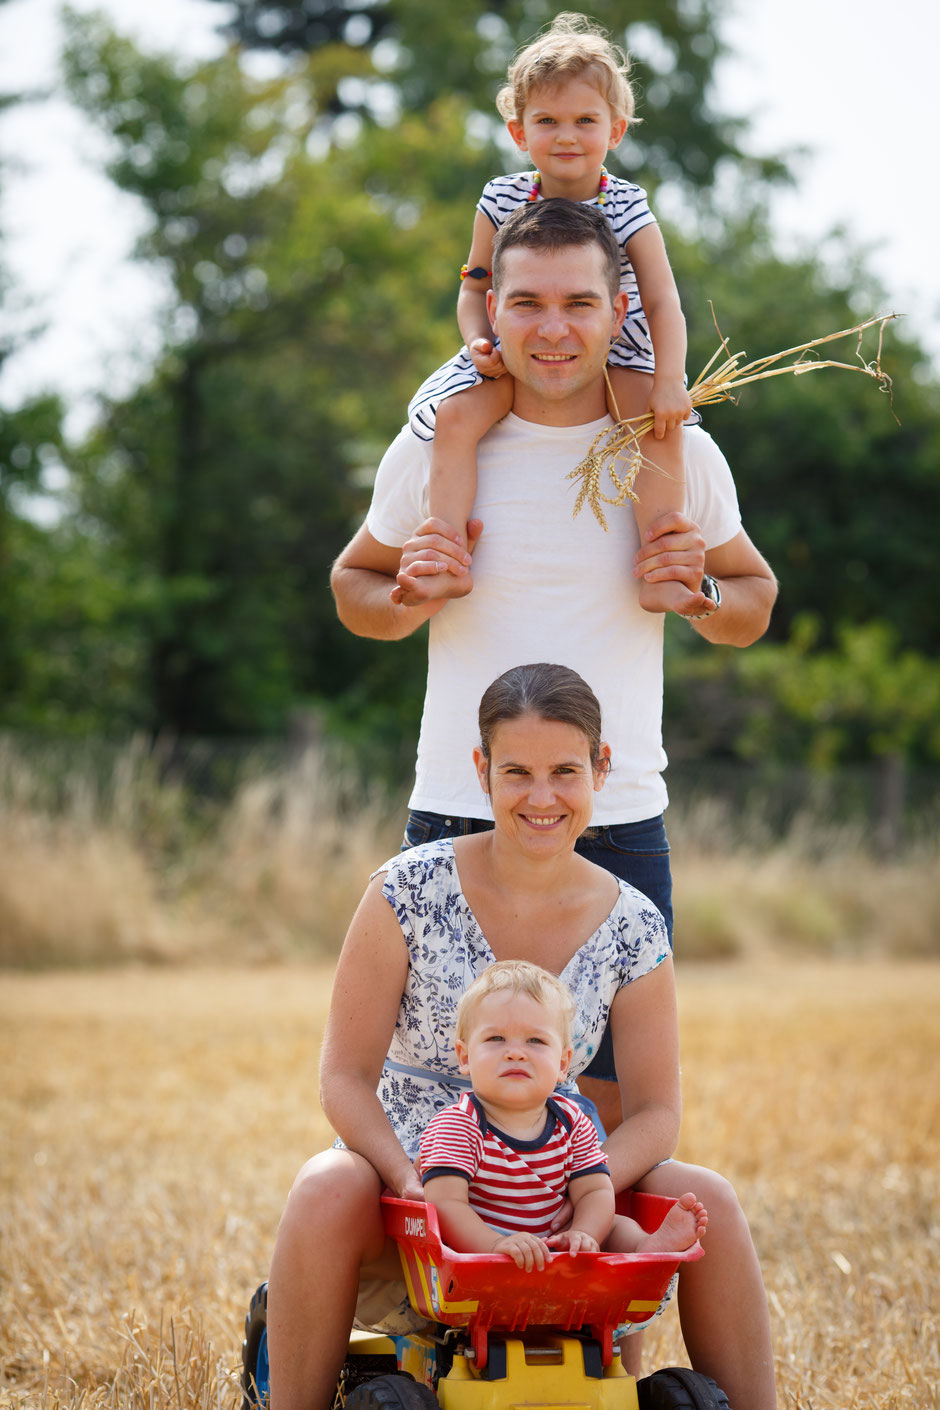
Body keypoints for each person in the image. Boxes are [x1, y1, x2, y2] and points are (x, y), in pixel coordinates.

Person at [330, 196, 778, 1139]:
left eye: (579, 303)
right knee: (431, 1085)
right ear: (491, 309)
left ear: (622, 312)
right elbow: (352, 588)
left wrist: (697, 597)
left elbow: (755, 601)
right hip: (458, 806)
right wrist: (407, 596)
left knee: (606, 1109)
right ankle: (403, 1280)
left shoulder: (674, 449)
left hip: (616, 822)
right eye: (526, 302)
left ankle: (565, 1290)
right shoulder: (438, 447)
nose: (553, 328)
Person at [265, 664, 777, 1410]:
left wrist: (585, 1194)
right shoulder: (404, 890)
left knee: (710, 1198)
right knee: (322, 1184)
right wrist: (410, 1182)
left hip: (555, 1164)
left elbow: (659, 1111)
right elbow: (343, 1078)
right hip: (410, 1171)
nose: (542, 797)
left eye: (566, 771)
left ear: (601, 769)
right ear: (482, 772)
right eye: (518, 772)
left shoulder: (633, 924)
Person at [409, 12, 695, 615]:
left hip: (619, 344)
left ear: (615, 130)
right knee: (454, 420)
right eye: (547, 121)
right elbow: (473, 287)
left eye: (585, 121)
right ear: (518, 132)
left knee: (657, 431)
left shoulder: (628, 204)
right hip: (519, 345)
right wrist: (478, 343)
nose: (567, 136)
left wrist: (670, 378)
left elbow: (664, 298)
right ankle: (446, 556)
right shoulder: (501, 197)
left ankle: (663, 566)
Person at [420, 958, 707, 1270]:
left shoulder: (571, 1122)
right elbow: (445, 1204)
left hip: (557, 1246)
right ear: (465, 1056)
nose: (515, 1051)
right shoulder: (459, 1124)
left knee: (613, 1223)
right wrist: (495, 1244)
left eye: (535, 1040)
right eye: (495, 1039)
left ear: (562, 1063)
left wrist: (584, 1233)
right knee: (456, 1230)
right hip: (486, 1252)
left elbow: (595, 1190)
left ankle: (644, 1246)